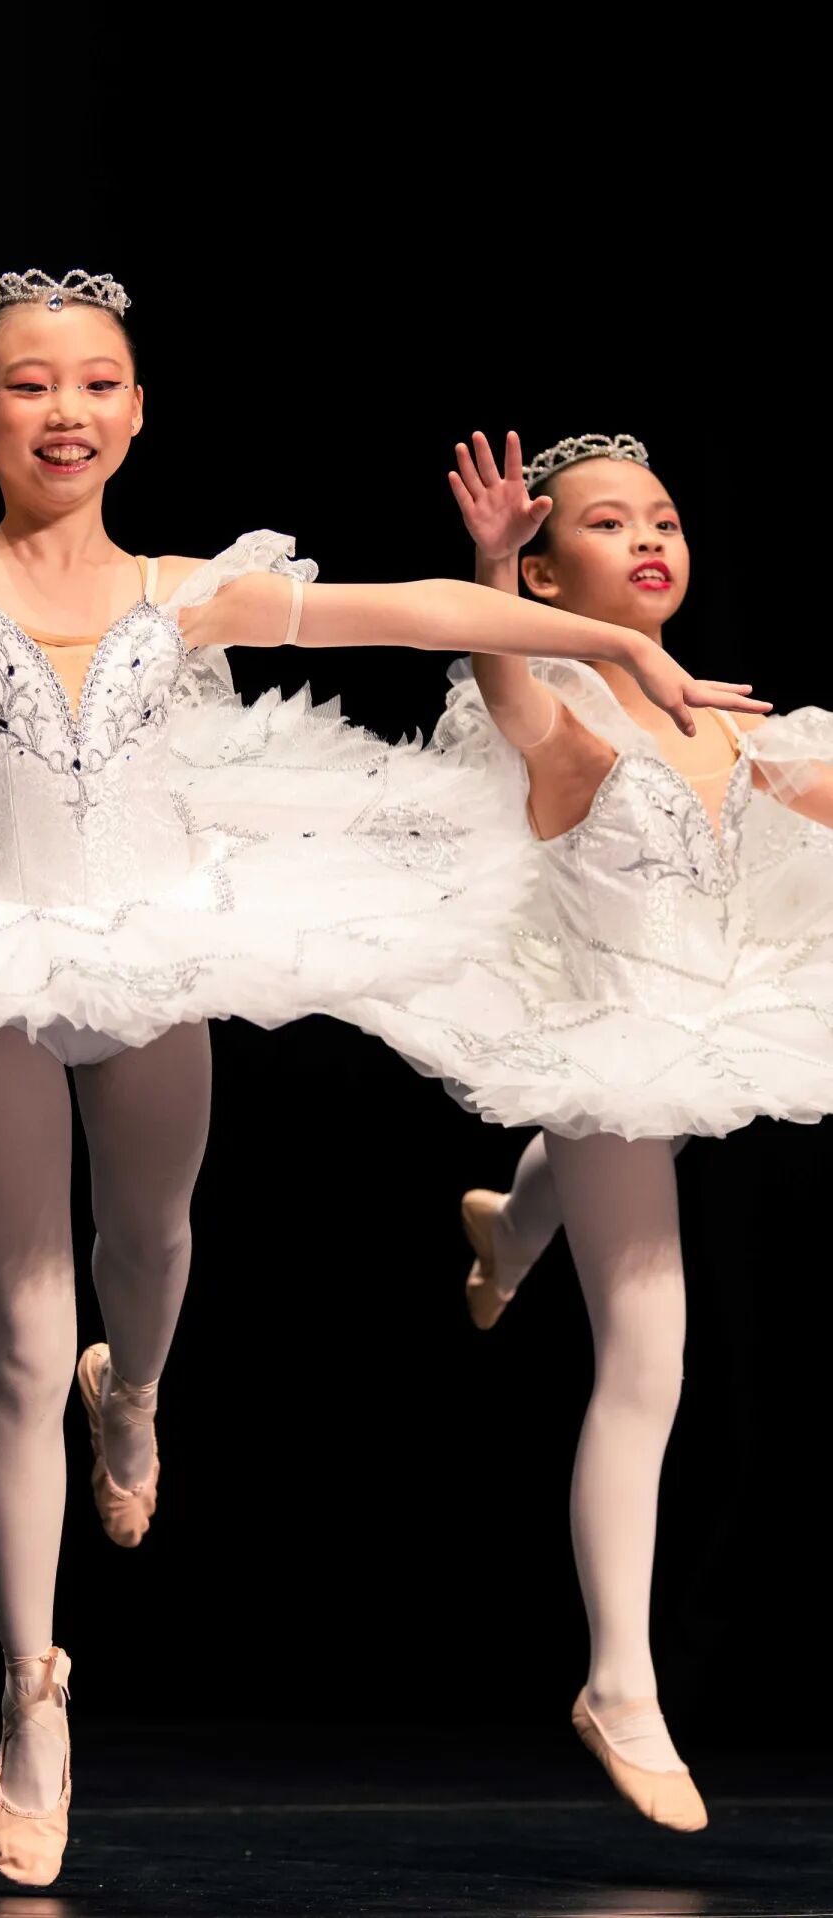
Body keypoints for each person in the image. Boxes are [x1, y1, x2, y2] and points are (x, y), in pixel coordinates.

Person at [0, 213, 768, 1886]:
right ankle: (33, 1690)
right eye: (29, 385)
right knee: (22, 1333)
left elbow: (400, 609)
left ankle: (138, 1393)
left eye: (96, 383)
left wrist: (609, 639)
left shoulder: (185, 592)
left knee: (148, 1249)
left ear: (137, 410)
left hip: (161, 944)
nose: (65, 411)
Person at [349, 429, 833, 1832]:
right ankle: (619, 1682)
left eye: (663, 516)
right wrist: (492, 568)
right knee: (650, 1350)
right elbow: (503, 680)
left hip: (709, 1019)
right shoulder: (561, 721)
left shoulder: (741, 728)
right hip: (605, 1027)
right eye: (610, 524)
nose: (651, 538)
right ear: (555, 574)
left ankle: (511, 1225)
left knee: (629, 1146)